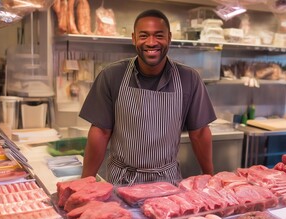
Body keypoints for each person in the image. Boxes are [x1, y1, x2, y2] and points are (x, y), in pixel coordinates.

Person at [79, 9, 216, 185]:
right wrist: (85, 183)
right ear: (134, 38)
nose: (151, 42)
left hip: (168, 183)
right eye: (144, 36)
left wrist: (211, 178)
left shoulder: (189, 78)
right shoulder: (112, 75)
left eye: (159, 35)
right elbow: (100, 132)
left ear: (169, 38)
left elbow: (200, 133)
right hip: (122, 182)